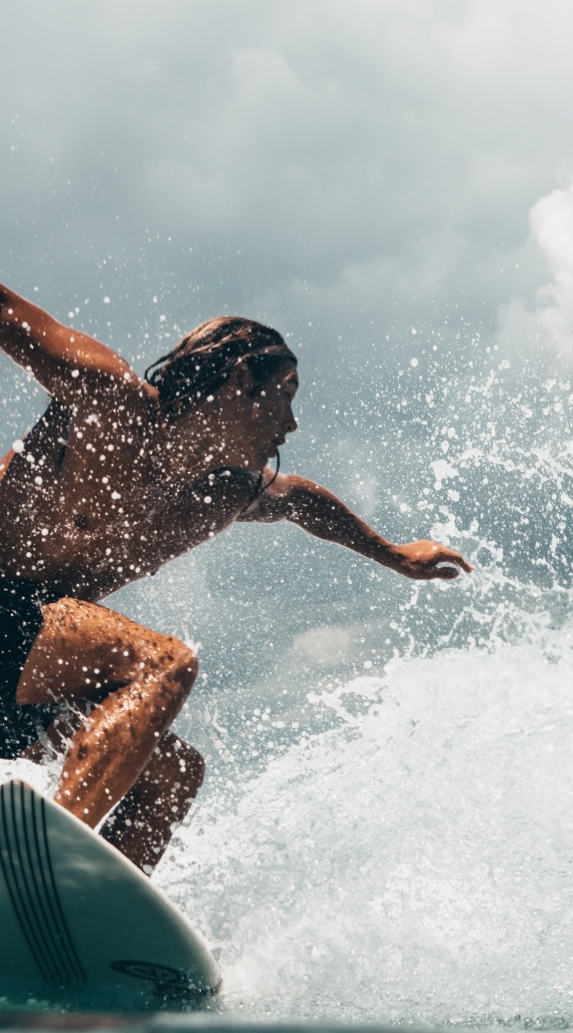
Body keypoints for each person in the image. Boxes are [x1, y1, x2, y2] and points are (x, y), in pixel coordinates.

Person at [0, 282, 472, 873]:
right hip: (8, 616)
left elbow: (300, 501)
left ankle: (87, 923)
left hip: (23, 664)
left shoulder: (218, 494)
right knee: (165, 664)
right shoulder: (112, 403)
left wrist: (396, 555)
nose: (293, 424)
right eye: (286, 395)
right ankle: (45, 868)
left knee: (173, 776)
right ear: (239, 380)